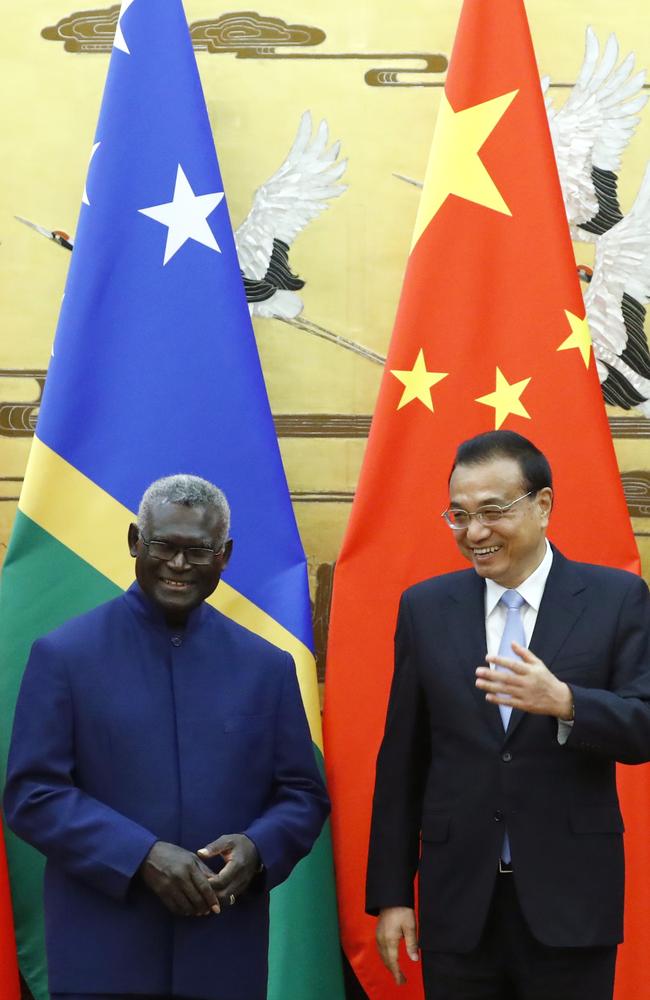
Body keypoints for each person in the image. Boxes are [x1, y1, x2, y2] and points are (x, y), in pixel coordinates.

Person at [4, 474, 330, 1000]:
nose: (178, 566)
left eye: (197, 551)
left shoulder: (266, 667)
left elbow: (302, 795)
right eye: (163, 546)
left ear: (224, 555)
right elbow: (33, 795)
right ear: (136, 541)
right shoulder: (65, 656)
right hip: (102, 957)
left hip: (223, 954)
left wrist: (257, 847)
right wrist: (140, 855)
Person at [366, 430, 650, 1000]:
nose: (475, 533)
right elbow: (404, 758)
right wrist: (394, 894)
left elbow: (643, 726)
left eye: (493, 512)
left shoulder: (616, 598)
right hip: (458, 903)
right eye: (459, 515)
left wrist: (567, 703)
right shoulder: (426, 608)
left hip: (571, 902)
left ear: (542, 505)